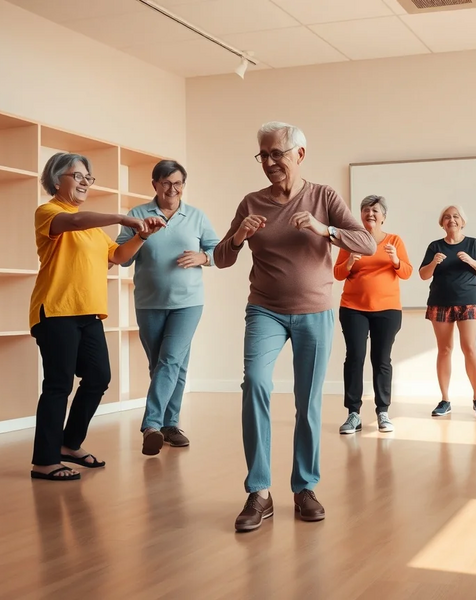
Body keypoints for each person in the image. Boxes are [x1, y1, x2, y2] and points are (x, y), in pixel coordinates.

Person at [215, 121, 376, 531]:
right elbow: (220, 258)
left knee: (308, 401)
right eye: (263, 155)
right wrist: (237, 237)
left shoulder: (324, 196)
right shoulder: (251, 202)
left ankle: (304, 487)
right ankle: (259, 492)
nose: (269, 162)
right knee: (255, 382)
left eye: (277, 154)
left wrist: (326, 230)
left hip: (315, 312)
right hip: (264, 310)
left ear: (299, 155)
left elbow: (367, 243)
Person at [29, 152, 164, 481]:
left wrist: (142, 235)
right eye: (78, 176)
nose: (85, 183)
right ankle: (44, 461)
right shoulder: (50, 212)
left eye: (89, 178)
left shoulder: (91, 228)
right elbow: (73, 222)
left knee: (99, 378)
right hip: (57, 310)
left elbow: (117, 256)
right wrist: (122, 218)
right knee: (58, 385)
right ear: (57, 178)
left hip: (89, 314)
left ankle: (68, 444)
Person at [117, 160, 220, 456]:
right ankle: (170, 424)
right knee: (164, 364)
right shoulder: (137, 214)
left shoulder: (196, 216)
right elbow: (122, 258)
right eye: (165, 183)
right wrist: (142, 234)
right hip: (149, 302)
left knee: (170, 360)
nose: (172, 189)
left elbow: (218, 250)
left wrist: (203, 258)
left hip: (188, 303)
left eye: (178, 183)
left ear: (184, 185)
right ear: (155, 185)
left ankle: (151, 424)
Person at [333, 195, 412, 435]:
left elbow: (407, 272)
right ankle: (353, 414)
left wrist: (395, 259)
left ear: (383, 216)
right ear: (361, 215)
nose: (370, 214)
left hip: (387, 310)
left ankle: (383, 412)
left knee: (381, 359)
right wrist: (349, 264)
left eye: (375, 210)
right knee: (354, 358)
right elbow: (337, 274)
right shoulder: (351, 241)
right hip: (353, 308)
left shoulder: (394, 240)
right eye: (366, 210)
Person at [419, 205, 476, 419]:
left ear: (463, 221)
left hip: (468, 302)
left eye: (455, 216)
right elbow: (423, 275)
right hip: (439, 303)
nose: (451, 220)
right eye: (447, 217)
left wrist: (471, 261)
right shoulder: (435, 246)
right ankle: (445, 400)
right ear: (442, 223)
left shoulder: (473, 244)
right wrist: (434, 262)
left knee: (469, 347)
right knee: (444, 349)